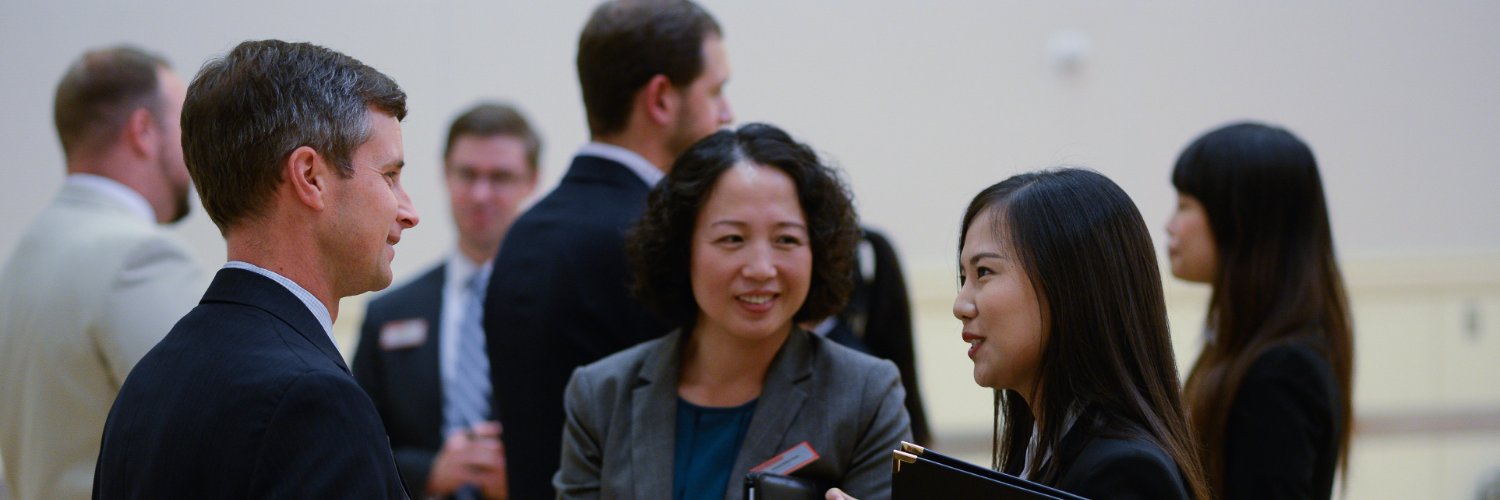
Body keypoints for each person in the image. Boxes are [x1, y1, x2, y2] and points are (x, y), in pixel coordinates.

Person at [93, 40, 417, 498]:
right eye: (389, 175)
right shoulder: (313, 400)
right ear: (310, 176)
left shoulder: (148, 381)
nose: (408, 211)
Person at [555, 123, 910, 500]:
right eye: (733, 239)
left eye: (786, 240)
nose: (760, 268)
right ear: (682, 250)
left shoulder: (864, 395)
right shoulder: (601, 395)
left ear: (817, 251)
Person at [833, 168, 1215, 500]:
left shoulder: (1126, 471)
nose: (960, 304)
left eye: (983, 272)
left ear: (1070, 285)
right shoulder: (1040, 449)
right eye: (964, 277)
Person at [482, 1, 732, 496]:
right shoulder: (658, 238)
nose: (727, 114)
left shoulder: (522, 234)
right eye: (716, 91)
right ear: (661, 99)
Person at [0, 44, 205, 500]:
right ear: (143, 131)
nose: (194, 151)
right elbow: (216, 438)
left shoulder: (20, 260)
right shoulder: (140, 257)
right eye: (184, 127)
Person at [355, 102, 541, 499]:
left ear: (533, 182)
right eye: (467, 174)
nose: (480, 194)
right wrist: (429, 473)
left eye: (501, 177)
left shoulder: (560, 306)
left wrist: (529, 477)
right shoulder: (389, 312)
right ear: (445, 174)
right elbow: (356, 445)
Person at [1168, 122, 1353, 499]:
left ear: (1242, 222)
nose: (1169, 225)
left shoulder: (1282, 371)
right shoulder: (1249, 351)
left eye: (1185, 205)